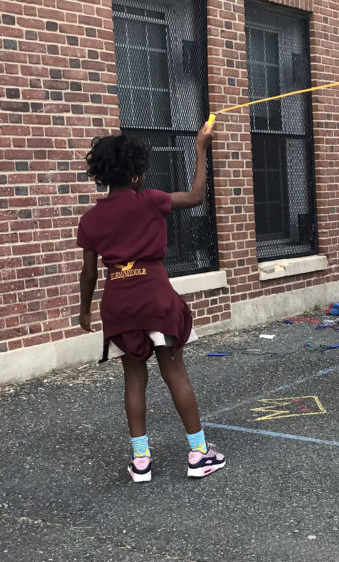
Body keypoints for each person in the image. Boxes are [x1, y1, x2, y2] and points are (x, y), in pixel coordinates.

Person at [77, 119, 226, 482]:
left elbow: (89, 274)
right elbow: (195, 197)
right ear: (135, 176)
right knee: (174, 372)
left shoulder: (90, 220)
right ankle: (199, 453)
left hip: (119, 303)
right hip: (156, 298)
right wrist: (201, 148)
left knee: (133, 378)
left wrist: (83, 311)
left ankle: (141, 460)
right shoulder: (150, 201)